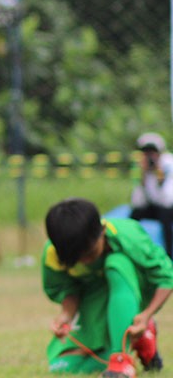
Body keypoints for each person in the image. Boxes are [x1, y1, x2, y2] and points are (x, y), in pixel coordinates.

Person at [44, 198, 172, 375]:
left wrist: (146, 314)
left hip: (129, 289)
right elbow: (67, 289)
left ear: (102, 231)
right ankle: (138, 340)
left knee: (117, 262)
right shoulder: (55, 251)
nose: (85, 262)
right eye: (76, 259)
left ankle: (121, 358)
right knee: (61, 367)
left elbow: (167, 277)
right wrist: (67, 314)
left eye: (89, 253)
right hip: (94, 300)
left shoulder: (129, 236)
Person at [130, 132, 173, 258]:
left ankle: (169, 255)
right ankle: (132, 247)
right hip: (156, 206)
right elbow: (137, 203)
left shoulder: (168, 165)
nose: (150, 157)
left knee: (165, 216)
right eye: (146, 153)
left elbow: (167, 201)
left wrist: (160, 177)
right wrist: (143, 177)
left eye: (152, 153)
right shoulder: (143, 168)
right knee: (135, 215)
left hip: (167, 207)